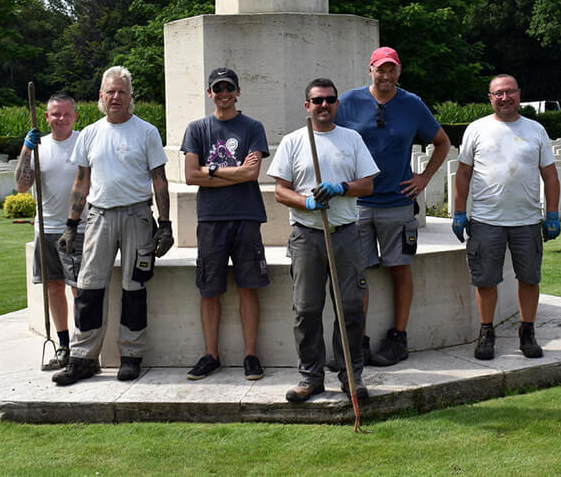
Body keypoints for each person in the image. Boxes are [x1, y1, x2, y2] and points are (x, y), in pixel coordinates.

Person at [51, 66, 173, 386]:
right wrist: (70, 225)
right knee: (89, 288)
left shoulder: (146, 132)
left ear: (131, 97)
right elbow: (81, 183)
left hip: (137, 217)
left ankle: (131, 355)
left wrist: (165, 224)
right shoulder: (90, 133)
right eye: (110, 91)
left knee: (134, 288)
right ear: (101, 97)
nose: (115, 97)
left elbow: (159, 180)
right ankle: (83, 358)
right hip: (99, 217)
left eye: (121, 91)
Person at [334, 46, 451, 367]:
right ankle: (358, 340)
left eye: (392, 70)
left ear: (398, 72)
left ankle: (398, 338)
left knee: (400, 268)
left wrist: (424, 177)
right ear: (369, 70)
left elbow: (442, 142)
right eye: (380, 69)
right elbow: (328, 137)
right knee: (359, 274)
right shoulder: (348, 102)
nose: (386, 76)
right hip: (357, 203)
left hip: (397, 203)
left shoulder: (412, 104)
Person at [268, 79, 379, 403]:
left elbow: (368, 185)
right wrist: (307, 202)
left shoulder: (351, 139)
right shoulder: (293, 142)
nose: (324, 105)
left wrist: (341, 188)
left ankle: (350, 376)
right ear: (307, 106)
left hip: (345, 234)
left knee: (350, 308)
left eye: (330, 100)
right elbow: (279, 190)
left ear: (337, 104)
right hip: (306, 236)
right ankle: (310, 377)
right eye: (317, 101)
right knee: (306, 309)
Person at [452, 74, 561, 360]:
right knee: (486, 280)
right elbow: (463, 173)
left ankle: (528, 332)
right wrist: (460, 211)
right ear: (490, 98)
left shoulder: (536, 130)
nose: (504, 98)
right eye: (498, 93)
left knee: (529, 278)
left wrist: (552, 214)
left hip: (526, 220)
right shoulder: (477, 129)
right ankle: (486, 333)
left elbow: (549, 175)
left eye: (509, 92)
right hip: (487, 219)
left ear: (519, 94)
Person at [181, 68, 269, 381]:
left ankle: (250, 355)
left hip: (246, 216)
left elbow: (252, 174)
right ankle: (211, 355)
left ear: (238, 91)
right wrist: (229, 172)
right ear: (210, 93)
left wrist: (211, 171)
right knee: (209, 289)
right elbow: (191, 175)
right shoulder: (197, 129)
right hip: (210, 220)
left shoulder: (252, 127)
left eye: (229, 88)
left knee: (248, 286)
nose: (223, 94)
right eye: (217, 89)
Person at [15, 93, 86, 371]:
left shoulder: (83, 142)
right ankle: (64, 345)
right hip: (46, 228)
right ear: (46, 117)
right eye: (55, 114)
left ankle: (83, 346)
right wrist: (25, 148)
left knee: (79, 289)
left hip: (79, 228)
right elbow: (21, 186)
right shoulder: (38, 147)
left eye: (67, 114)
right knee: (53, 288)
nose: (61, 119)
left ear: (75, 116)